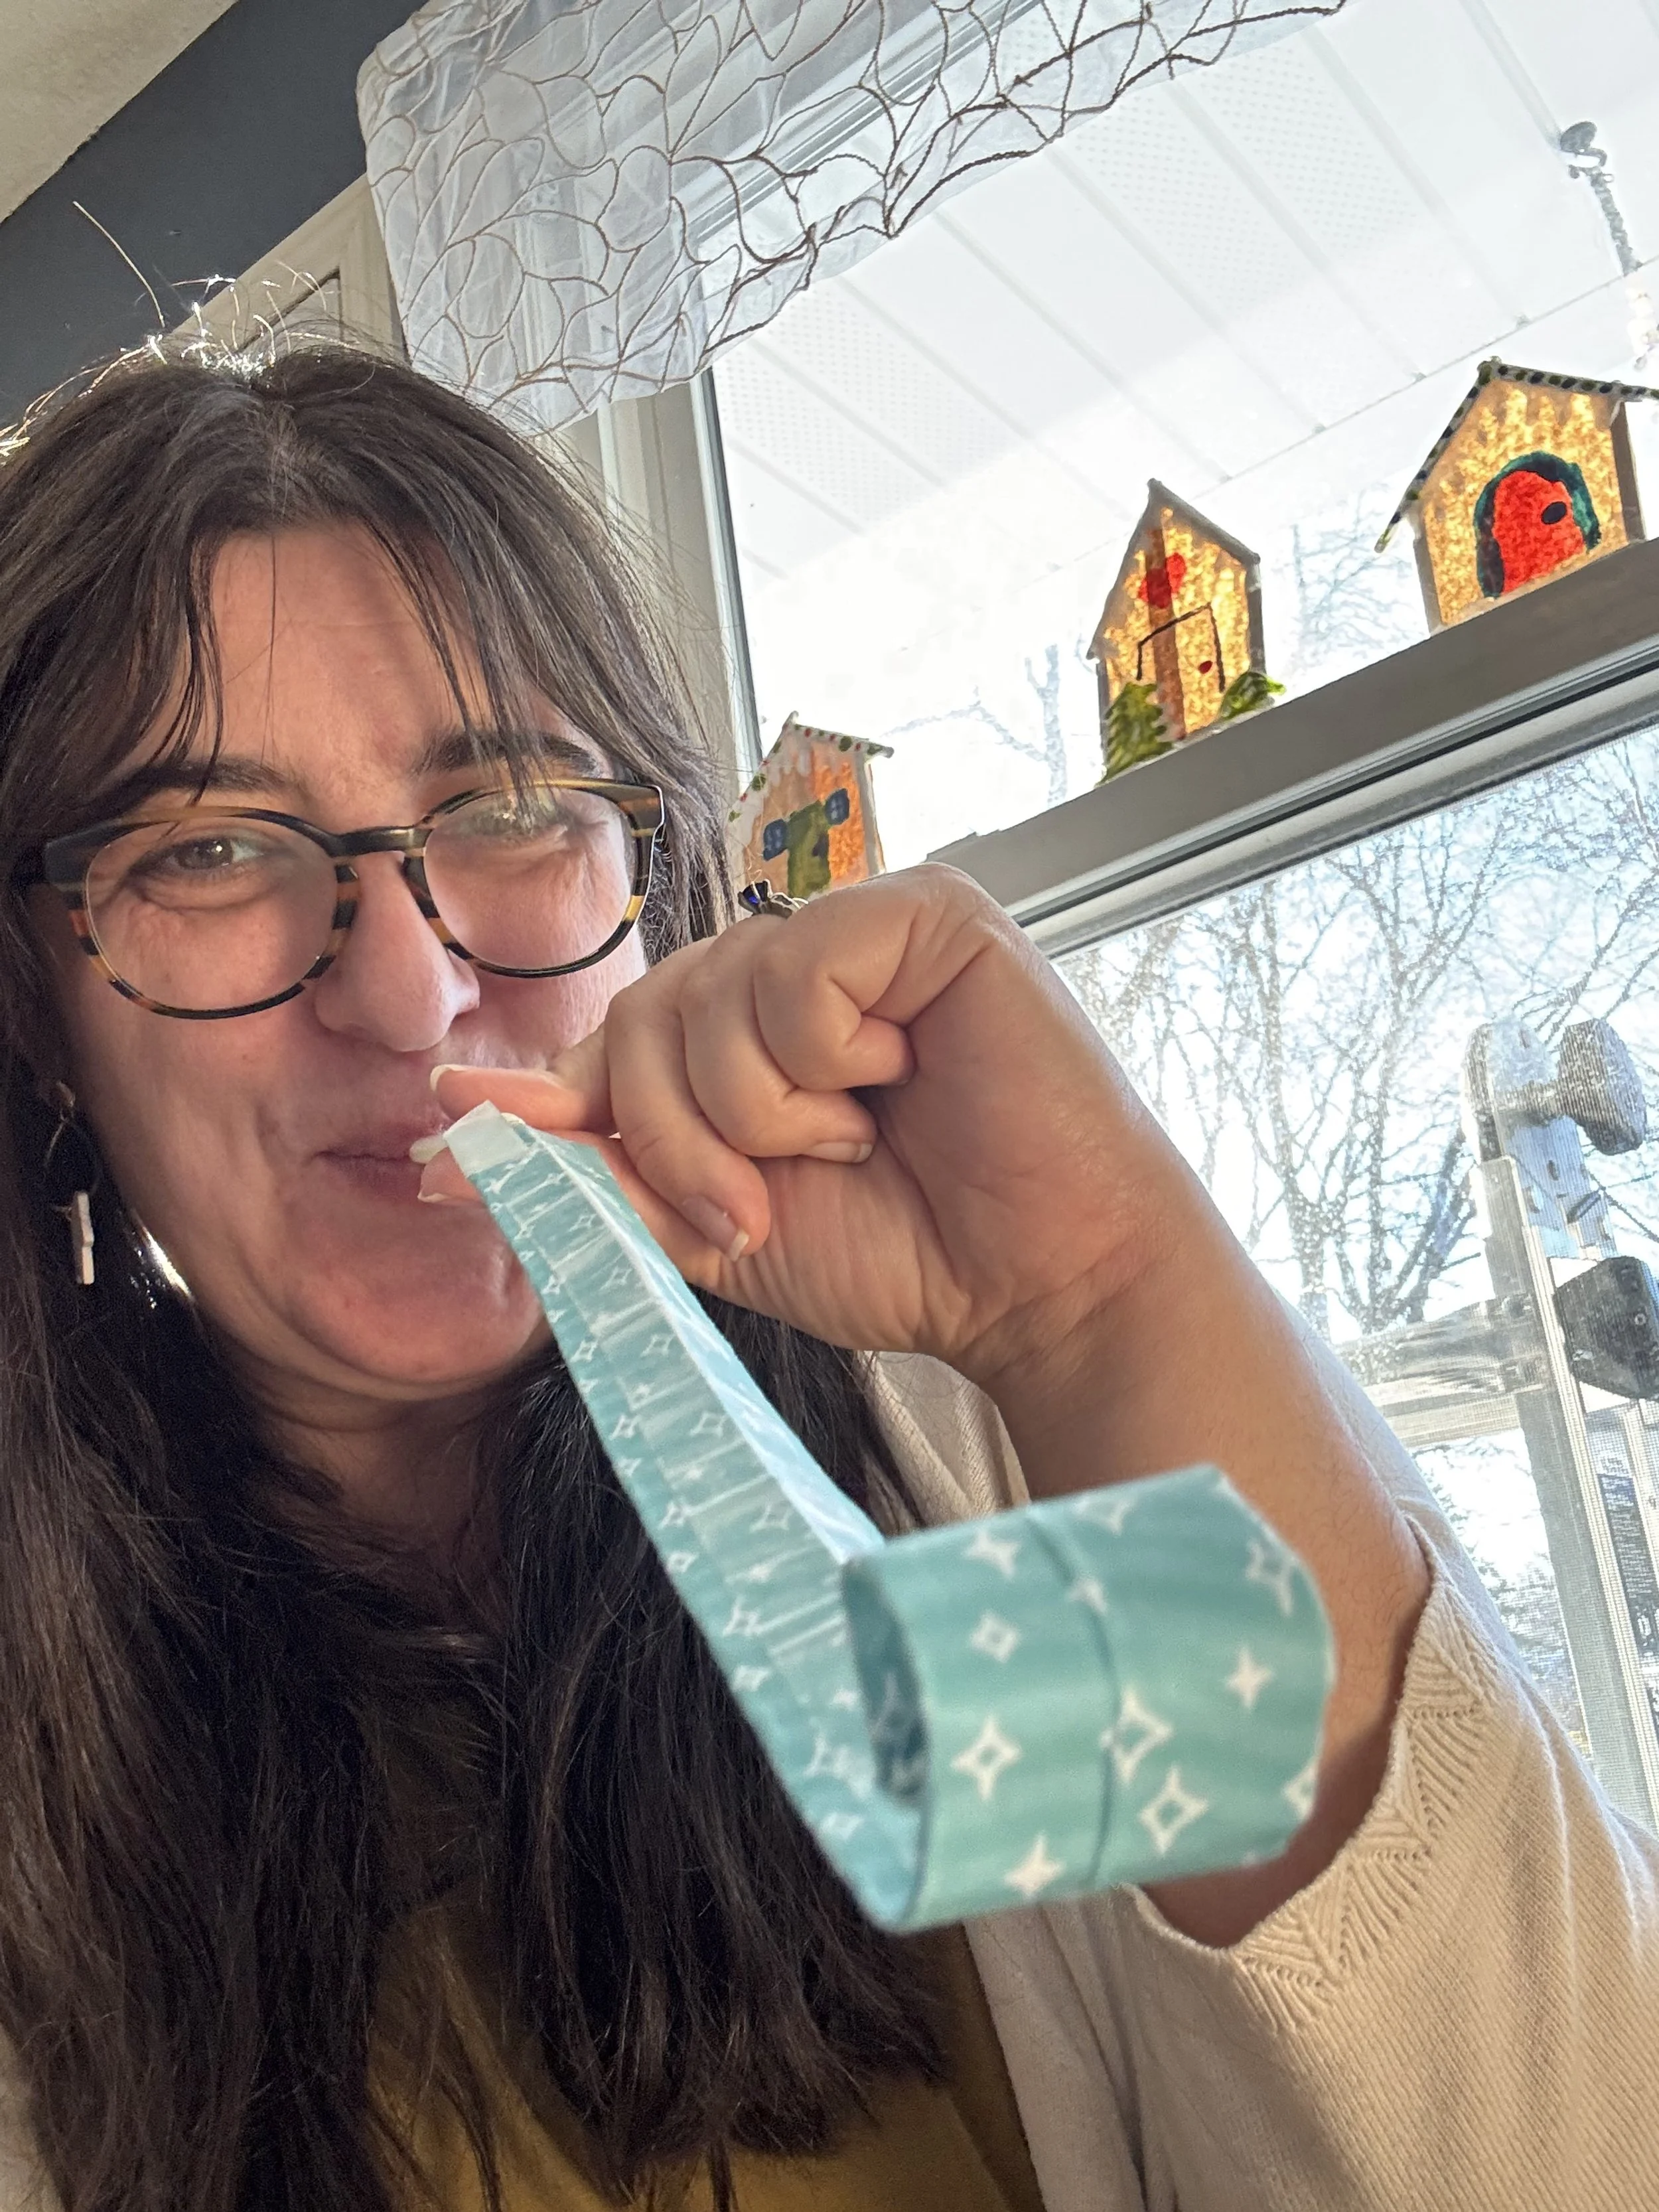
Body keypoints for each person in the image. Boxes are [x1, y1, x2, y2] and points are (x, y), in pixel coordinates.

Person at [0, 342, 1649, 2212]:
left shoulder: (967, 1456)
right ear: (44, 1013)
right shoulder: (57, 1739)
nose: (406, 992)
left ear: (663, 875)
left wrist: (1107, 1292)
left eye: (515, 803)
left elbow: (1519, 2150)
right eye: (210, 851)